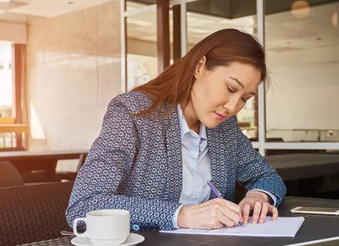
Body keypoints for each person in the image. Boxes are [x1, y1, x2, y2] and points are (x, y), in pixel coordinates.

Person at [66, 28, 286, 231]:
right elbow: (84, 204)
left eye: (244, 99)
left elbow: (266, 176)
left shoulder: (224, 127)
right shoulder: (133, 113)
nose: (232, 107)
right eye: (230, 89)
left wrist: (259, 196)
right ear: (199, 67)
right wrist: (181, 216)